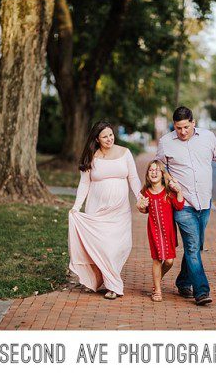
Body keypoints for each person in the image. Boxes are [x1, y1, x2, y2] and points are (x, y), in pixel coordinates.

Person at [154, 106, 216, 306]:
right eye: (178, 128)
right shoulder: (166, 142)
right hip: (182, 204)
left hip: (204, 203)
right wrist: (168, 182)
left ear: (193, 123)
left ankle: (183, 281)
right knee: (192, 246)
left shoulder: (208, 137)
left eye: (185, 127)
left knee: (197, 246)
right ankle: (201, 291)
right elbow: (158, 166)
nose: (182, 132)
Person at [68, 121, 147, 299]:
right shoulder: (91, 156)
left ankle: (110, 280)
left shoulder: (124, 153)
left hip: (120, 210)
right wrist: (76, 206)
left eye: (111, 135)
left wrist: (140, 196)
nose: (109, 139)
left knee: (118, 247)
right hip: (96, 209)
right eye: (105, 136)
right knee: (101, 247)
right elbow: (84, 183)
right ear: (97, 139)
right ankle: (112, 285)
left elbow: (133, 178)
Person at [135, 160, 184, 302]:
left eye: (157, 170)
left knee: (169, 261)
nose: (154, 172)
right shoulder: (145, 191)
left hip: (168, 232)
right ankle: (157, 290)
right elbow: (144, 210)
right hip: (154, 231)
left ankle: (157, 280)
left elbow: (179, 206)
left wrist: (179, 190)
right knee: (157, 260)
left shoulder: (168, 191)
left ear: (162, 174)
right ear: (147, 174)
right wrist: (140, 206)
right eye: (151, 170)